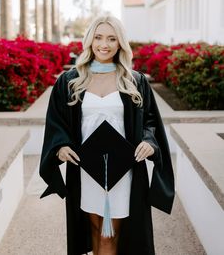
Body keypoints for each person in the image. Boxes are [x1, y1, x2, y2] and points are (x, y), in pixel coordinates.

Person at [39, 16, 175, 255]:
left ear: (120, 43)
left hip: (124, 169)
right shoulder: (70, 82)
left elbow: (150, 121)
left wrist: (149, 142)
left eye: (112, 38)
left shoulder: (134, 81)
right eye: (99, 37)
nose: (105, 44)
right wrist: (60, 146)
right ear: (90, 40)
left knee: (111, 234)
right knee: (94, 230)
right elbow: (56, 123)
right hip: (85, 168)